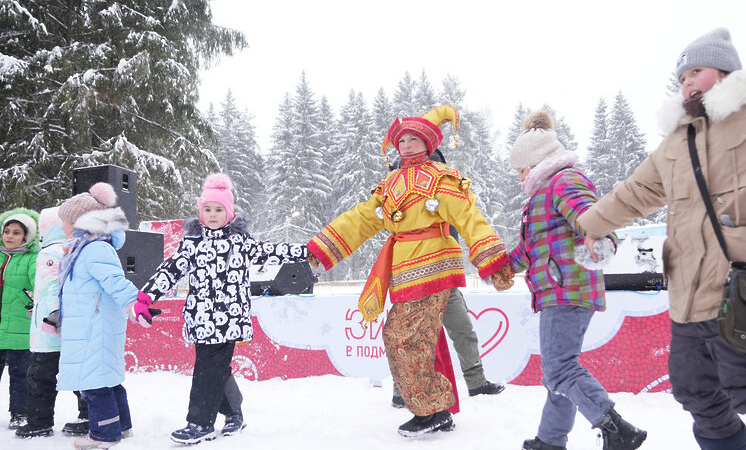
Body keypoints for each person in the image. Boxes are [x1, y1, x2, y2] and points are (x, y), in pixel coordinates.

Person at [578, 27, 746, 449]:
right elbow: (637, 192)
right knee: (695, 393)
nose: (687, 82)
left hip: (745, 293)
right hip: (687, 301)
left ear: (726, 70)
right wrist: (590, 224)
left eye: (696, 71)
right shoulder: (678, 139)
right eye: (681, 77)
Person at [307, 105, 514, 438]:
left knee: (404, 336)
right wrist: (321, 249)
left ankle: (433, 409)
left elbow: (468, 217)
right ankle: (432, 406)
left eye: (414, 138)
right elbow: (360, 220)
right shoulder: (389, 185)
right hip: (404, 273)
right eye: (401, 139)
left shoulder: (440, 179)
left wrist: (492, 260)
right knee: (403, 336)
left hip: (433, 268)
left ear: (428, 143)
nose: (405, 144)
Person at [508, 110, 646, 450]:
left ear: (537, 162)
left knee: (559, 369)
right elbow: (530, 249)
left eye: (521, 169)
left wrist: (598, 240)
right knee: (559, 369)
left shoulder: (565, 181)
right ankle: (551, 439)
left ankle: (617, 429)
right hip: (560, 286)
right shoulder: (541, 196)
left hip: (566, 287)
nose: (519, 177)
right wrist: (501, 266)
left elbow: (594, 218)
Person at [139, 173, 309, 445]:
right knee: (216, 369)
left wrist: (307, 251)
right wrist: (146, 296)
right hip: (200, 318)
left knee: (208, 370)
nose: (213, 214)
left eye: (219, 209)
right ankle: (234, 413)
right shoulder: (192, 242)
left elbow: (271, 251)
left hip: (229, 319)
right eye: (208, 209)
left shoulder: (240, 241)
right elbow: (170, 270)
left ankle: (199, 424)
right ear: (200, 211)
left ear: (230, 214)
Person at [387, 148, 506, 408]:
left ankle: (476, 382)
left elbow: (467, 222)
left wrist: (487, 258)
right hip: (413, 280)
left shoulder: (446, 192)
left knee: (462, 329)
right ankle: (401, 392)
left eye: (435, 166)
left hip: (445, 275)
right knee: (410, 338)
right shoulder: (401, 194)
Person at [56, 182, 156, 449]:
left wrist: (134, 303)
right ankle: (121, 427)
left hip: (94, 326)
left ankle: (103, 434)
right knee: (108, 379)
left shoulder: (94, 248)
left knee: (94, 383)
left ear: (81, 222)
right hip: (90, 324)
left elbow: (115, 282)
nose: (62, 227)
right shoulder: (83, 248)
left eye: (65, 222)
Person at [15, 207, 89, 439]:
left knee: (40, 376)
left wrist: (50, 313)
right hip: (64, 326)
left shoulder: (49, 253)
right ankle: (88, 415)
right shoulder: (69, 249)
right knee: (79, 373)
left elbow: (51, 288)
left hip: (48, 330)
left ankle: (39, 421)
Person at [0, 208, 39, 430]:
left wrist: (28, 296)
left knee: (20, 375)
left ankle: (20, 412)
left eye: (16, 232)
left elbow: (39, 286)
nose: (10, 236)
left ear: (26, 236)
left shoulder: (32, 259)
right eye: (7, 231)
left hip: (20, 326)